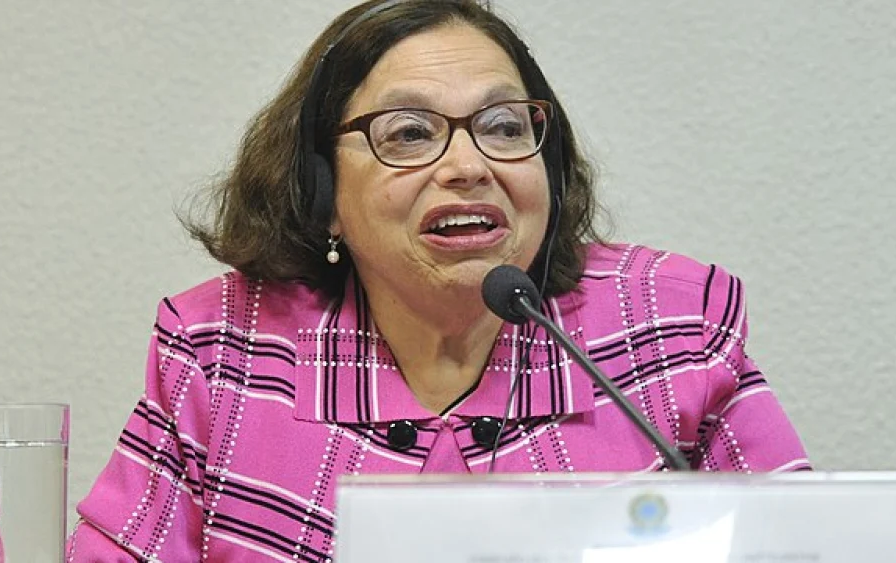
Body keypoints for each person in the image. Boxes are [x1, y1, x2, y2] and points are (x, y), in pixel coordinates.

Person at [67, 0, 809, 559]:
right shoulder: (224, 352)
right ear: (324, 195)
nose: (468, 166)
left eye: (505, 126)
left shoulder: (668, 330)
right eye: (410, 133)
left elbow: (806, 545)